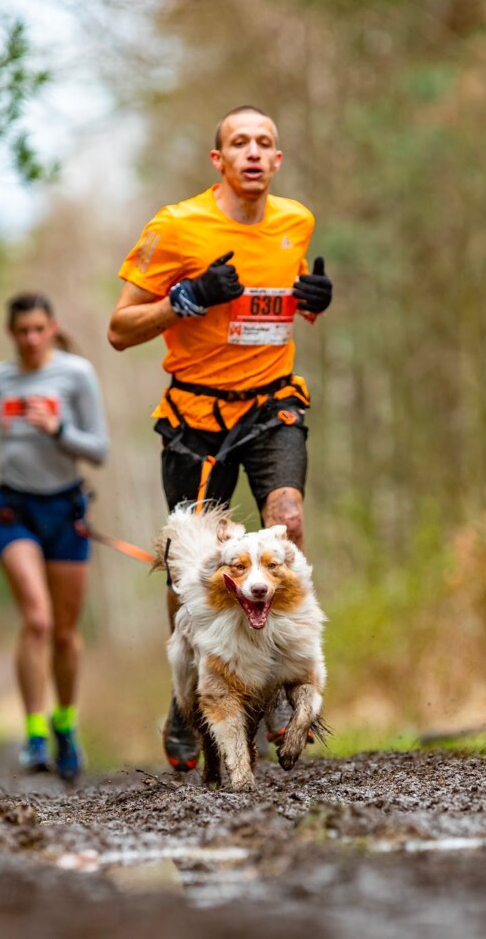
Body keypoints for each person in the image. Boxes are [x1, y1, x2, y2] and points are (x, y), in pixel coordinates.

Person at [106, 105, 333, 771]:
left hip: (271, 407)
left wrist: (310, 302)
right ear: (219, 161)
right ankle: (186, 702)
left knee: (283, 527)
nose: (254, 153)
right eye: (240, 143)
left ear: (279, 159)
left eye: (266, 142)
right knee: (191, 579)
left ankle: (278, 688)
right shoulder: (177, 226)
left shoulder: (296, 221)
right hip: (195, 422)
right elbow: (119, 330)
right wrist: (187, 297)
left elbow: (273, 309)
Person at [0, 293, 109, 781]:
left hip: (66, 511)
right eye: (21, 331)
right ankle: (33, 735)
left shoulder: (75, 375)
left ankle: (65, 725)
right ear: (11, 333)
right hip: (14, 511)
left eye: (37, 329)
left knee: (66, 634)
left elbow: (99, 450)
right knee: (38, 620)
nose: (29, 339)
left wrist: (58, 428)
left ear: (52, 327)